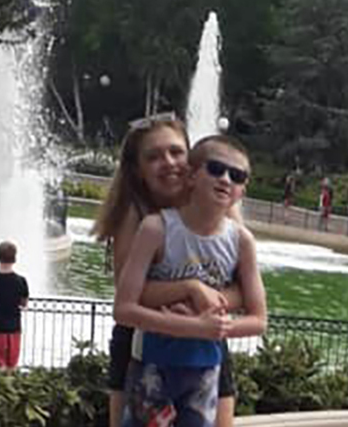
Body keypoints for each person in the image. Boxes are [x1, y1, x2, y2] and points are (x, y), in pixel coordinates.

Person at [92, 113, 245, 427]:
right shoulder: (135, 215)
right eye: (154, 156)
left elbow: (244, 289)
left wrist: (203, 308)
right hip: (141, 346)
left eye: (176, 152)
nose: (169, 162)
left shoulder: (220, 206)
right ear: (138, 170)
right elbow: (128, 295)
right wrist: (190, 288)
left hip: (205, 343)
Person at [115, 135, 268, 427]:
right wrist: (196, 327)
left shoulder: (241, 241)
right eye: (216, 169)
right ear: (192, 174)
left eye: (236, 175)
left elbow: (259, 319)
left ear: (242, 190)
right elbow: (123, 309)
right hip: (152, 364)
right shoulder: (156, 228)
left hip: (205, 371)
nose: (225, 179)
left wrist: (214, 328)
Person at [0, 241, 29, 370]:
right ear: (15, 258)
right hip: (13, 326)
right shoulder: (21, 281)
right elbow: (24, 304)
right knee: (11, 365)